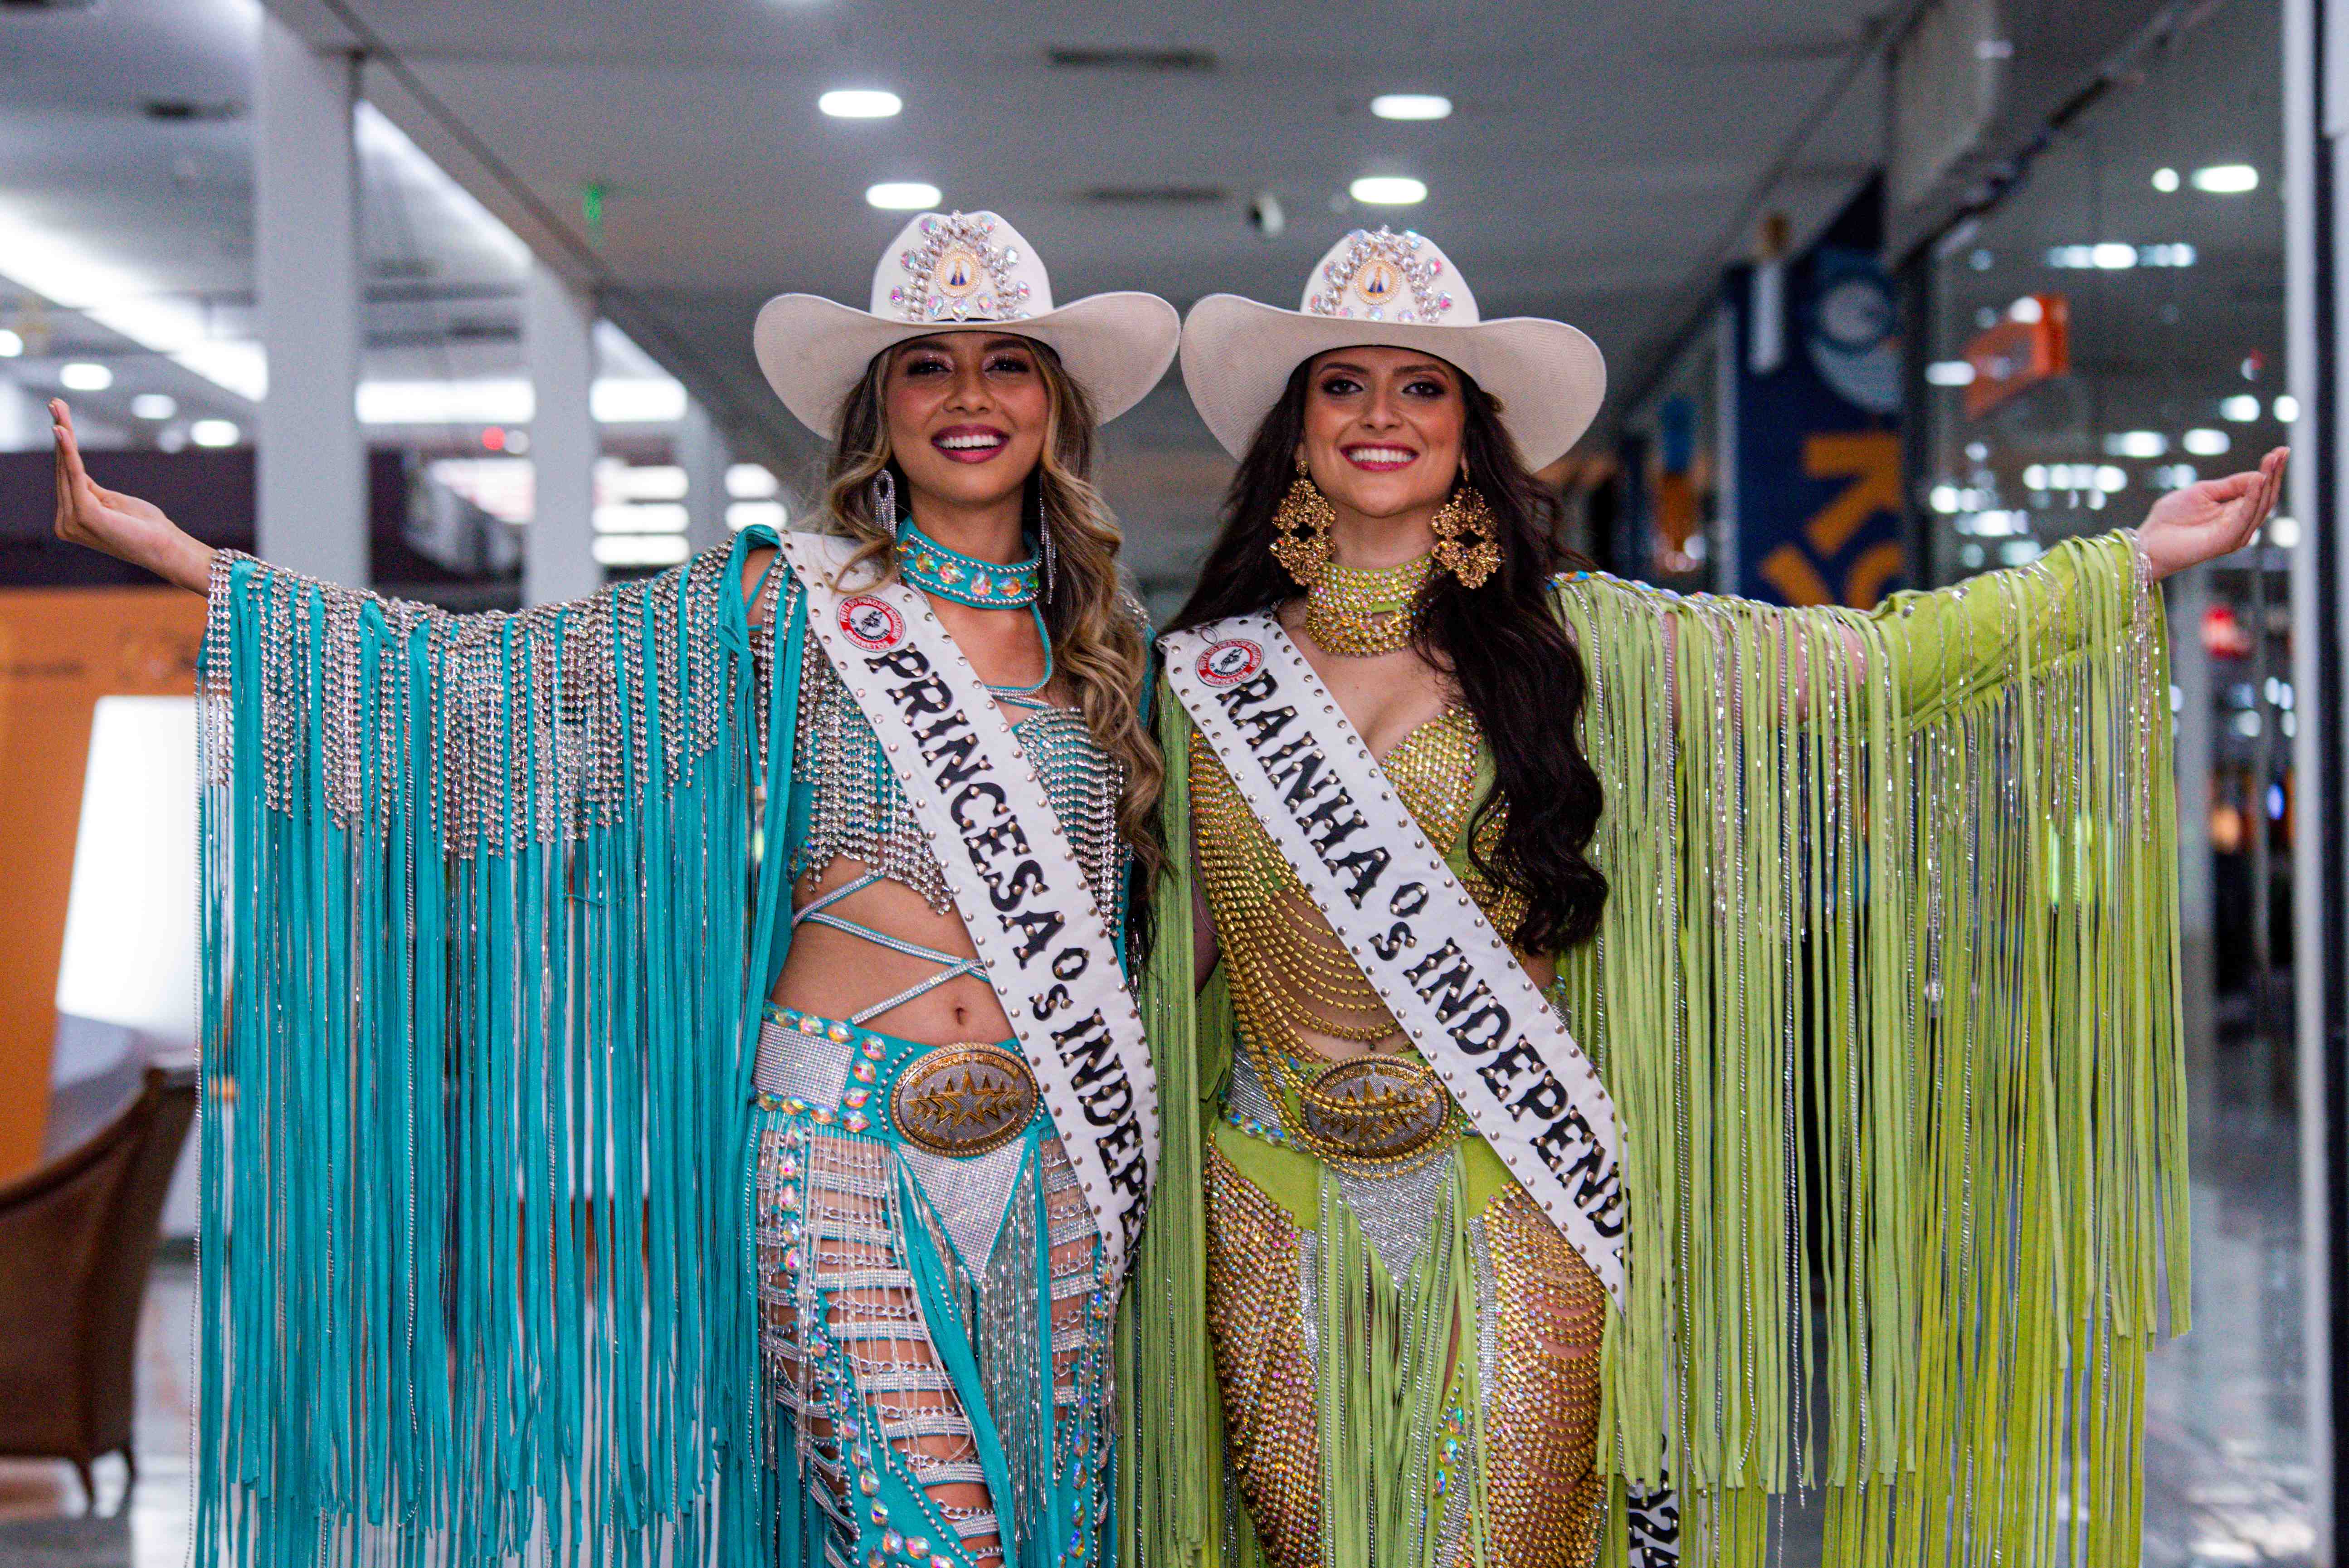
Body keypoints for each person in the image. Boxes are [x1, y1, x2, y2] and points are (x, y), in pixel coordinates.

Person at [1116, 225, 2288, 1568]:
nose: (1382, 415)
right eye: (1344, 384)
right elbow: (1170, 960)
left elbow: (1869, 664)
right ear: (1296, 431)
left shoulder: (1583, 647)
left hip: (1519, 1180)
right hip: (1269, 1190)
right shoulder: (1203, 679)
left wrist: (2121, 565)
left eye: (1422, 386)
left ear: (1469, 433)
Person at [52, 211, 1177, 1568]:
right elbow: (492, 689)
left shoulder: (1109, 662)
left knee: (1053, 1533)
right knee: (928, 1544)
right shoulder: (781, 604)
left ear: (1055, 407)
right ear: (880, 410)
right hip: (835, 1146)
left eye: (1009, 363)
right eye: (927, 365)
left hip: (1056, 1155)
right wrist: (195, 564)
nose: (971, 397)